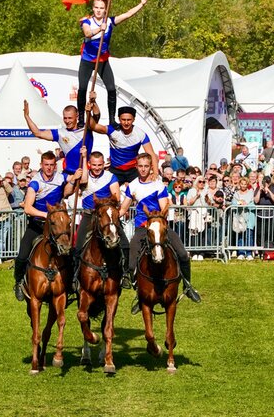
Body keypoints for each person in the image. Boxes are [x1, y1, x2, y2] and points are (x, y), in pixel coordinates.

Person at [119, 153, 201, 313]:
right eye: (140, 166)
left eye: (146, 166)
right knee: (131, 264)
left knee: (183, 254)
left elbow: (164, 207)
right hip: (142, 228)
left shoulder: (159, 186)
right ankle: (140, 295)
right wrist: (111, 216)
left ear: (151, 168)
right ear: (136, 167)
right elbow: (123, 208)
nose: (143, 169)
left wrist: (155, 219)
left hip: (160, 226)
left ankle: (188, 286)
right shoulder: (133, 186)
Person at [13, 151, 81, 301]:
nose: (49, 168)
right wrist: (46, 215)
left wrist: (75, 177)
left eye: (52, 165)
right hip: (38, 224)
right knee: (23, 255)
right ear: (41, 165)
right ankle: (18, 282)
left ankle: (71, 283)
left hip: (57, 226)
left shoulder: (60, 177)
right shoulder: (35, 183)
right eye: (46, 165)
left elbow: (71, 187)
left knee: (70, 253)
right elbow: (28, 208)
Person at [76, 0, 150, 126]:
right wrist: (100, 29)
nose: (99, 10)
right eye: (96, 7)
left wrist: (141, 4)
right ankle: (81, 119)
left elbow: (127, 15)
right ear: (93, 9)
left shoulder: (109, 21)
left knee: (111, 89)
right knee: (82, 88)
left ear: (105, 10)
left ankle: (111, 119)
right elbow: (87, 33)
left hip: (102, 61)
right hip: (87, 60)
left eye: (102, 8)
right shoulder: (87, 21)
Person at [75, 149, 129, 286]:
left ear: (103, 164)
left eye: (99, 165)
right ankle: (75, 277)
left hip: (106, 215)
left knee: (124, 244)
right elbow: (83, 181)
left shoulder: (111, 177)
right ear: (89, 164)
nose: (97, 168)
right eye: (94, 165)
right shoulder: (84, 175)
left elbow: (116, 197)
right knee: (78, 246)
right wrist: (84, 156)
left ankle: (126, 274)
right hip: (89, 215)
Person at [88, 103, 156, 184]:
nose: (126, 123)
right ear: (119, 119)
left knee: (139, 194)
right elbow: (93, 126)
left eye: (129, 120)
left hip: (133, 171)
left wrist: (155, 173)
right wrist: (88, 112)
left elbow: (151, 154)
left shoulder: (140, 134)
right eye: (123, 120)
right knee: (110, 195)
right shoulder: (112, 130)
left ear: (133, 119)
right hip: (115, 170)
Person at [23, 100, 93, 177]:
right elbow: (38, 133)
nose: (67, 121)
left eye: (70, 118)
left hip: (86, 173)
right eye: (65, 118)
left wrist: (93, 103)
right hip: (69, 174)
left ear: (77, 116)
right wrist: (26, 116)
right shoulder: (60, 133)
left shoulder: (86, 129)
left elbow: (96, 116)